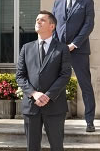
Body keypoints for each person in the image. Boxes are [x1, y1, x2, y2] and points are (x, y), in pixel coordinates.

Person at [16, 11, 72, 151]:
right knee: (32, 147)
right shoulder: (26, 48)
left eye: (42, 20)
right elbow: (20, 76)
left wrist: (48, 95)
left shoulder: (62, 49)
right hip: (31, 105)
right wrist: (34, 93)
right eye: (37, 20)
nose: (38, 22)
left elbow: (65, 75)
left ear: (52, 26)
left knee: (57, 146)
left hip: (54, 106)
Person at [52, 0, 96, 132]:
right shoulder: (57, 3)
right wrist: (58, 45)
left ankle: (89, 121)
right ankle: (55, 120)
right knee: (56, 86)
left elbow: (88, 25)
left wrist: (74, 44)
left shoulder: (87, 2)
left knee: (85, 86)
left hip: (79, 51)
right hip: (60, 51)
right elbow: (53, 25)